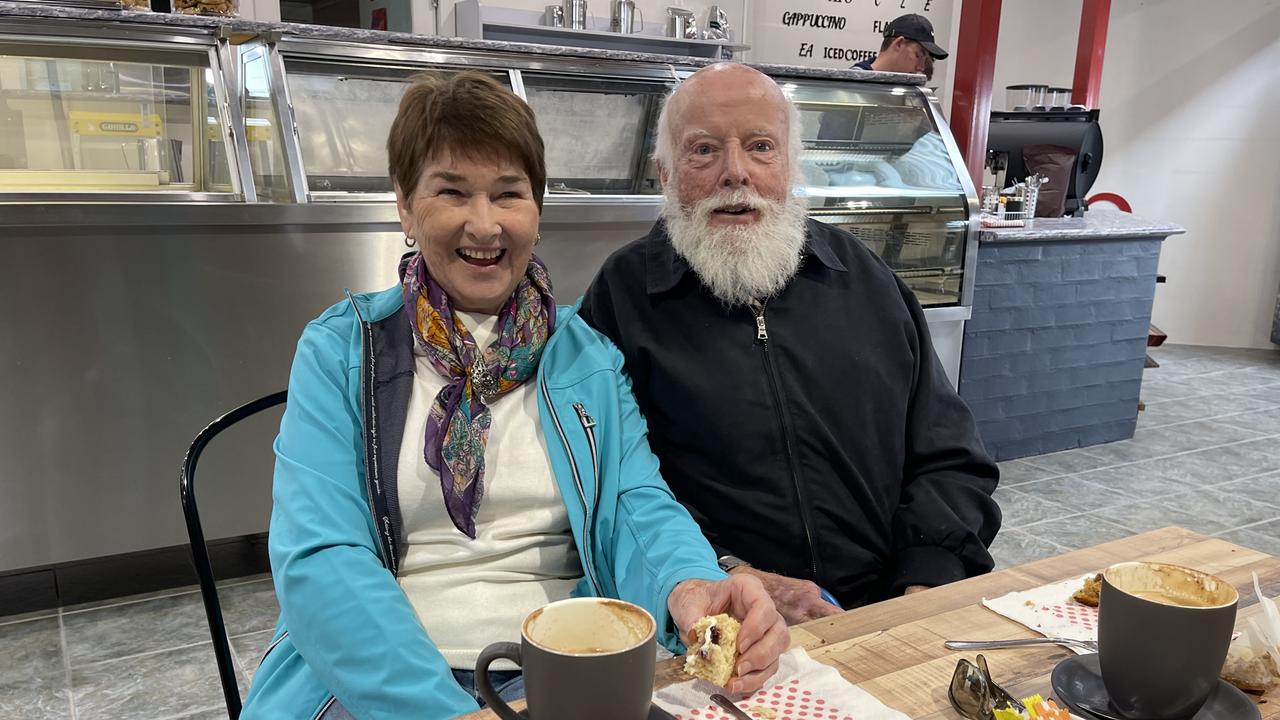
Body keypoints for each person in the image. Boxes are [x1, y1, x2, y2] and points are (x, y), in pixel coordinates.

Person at [240, 71, 788, 720]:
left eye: (509, 194)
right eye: (452, 191)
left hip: (564, 668)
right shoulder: (340, 353)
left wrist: (689, 584)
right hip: (383, 686)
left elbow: (637, 504)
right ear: (405, 206)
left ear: (537, 208)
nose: (485, 224)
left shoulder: (583, 355)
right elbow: (322, 561)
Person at [579, 63, 1001, 626]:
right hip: (723, 620)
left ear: (790, 166)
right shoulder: (622, 300)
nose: (736, 174)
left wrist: (927, 572)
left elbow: (949, 454)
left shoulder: (864, 280)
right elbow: (607, 490)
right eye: (703, 151)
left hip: (893, 602)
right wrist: (725, 574)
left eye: (760, 147)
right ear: (665, 173)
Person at [853, 13, 948, 80]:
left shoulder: (908, 93)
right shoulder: (853, 84)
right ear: (899, 44)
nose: (921, 67)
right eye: (918, 55)